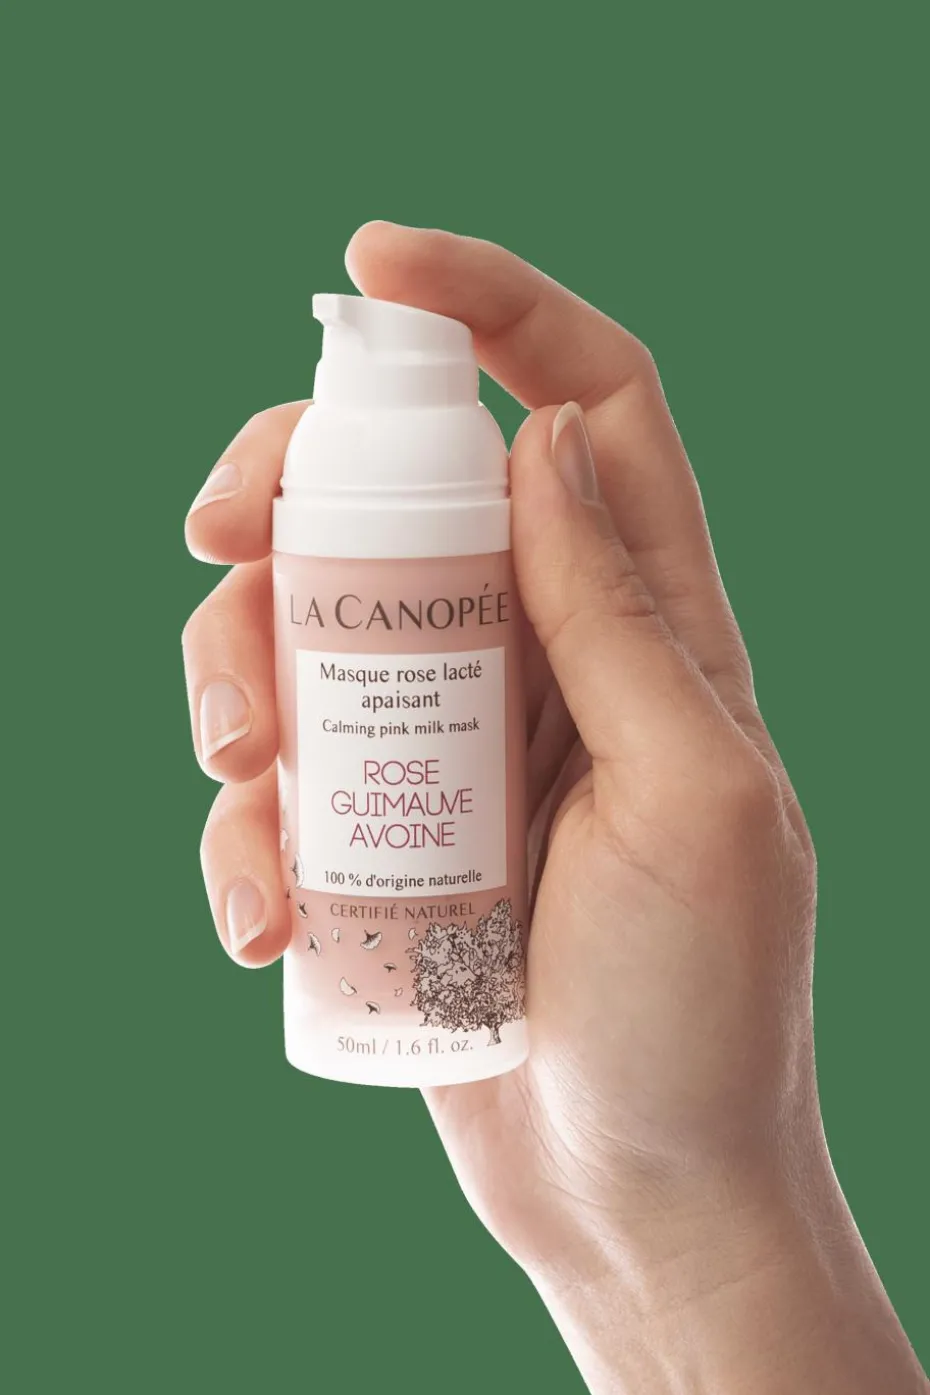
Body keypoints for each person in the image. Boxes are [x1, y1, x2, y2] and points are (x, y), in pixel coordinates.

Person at [181, 223, 928, 1393]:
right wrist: (657, 1230)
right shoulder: (351, 460)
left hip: (490, 961)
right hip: (372, 981)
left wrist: (692, 1199)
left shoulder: (480, 467)